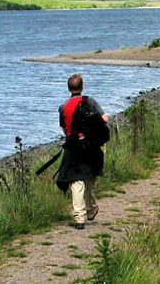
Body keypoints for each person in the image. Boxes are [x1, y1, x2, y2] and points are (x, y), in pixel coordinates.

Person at [56, 73, 109, 230]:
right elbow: (105, 119)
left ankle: (80, 217)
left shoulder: (63, 107)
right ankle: (91, 208)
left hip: (73, 147)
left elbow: (64, 128)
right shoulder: (90, 101)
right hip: (91, 146)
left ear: (68, 88)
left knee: (76, 181)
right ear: (82, 87)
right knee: (90, 178)